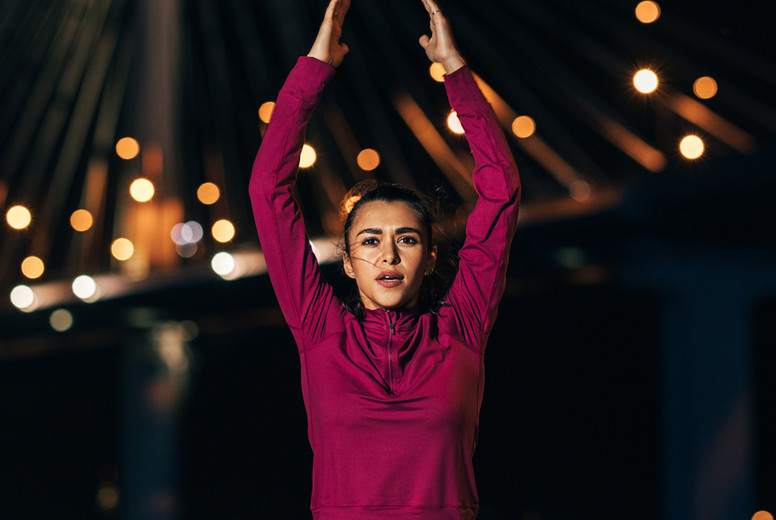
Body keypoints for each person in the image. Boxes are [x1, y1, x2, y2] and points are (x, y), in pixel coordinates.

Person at [249, 0, 520, 518]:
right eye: (370, 241)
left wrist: (455, 71)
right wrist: (314, 70)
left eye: (408, 240)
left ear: (430, 254)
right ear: (348, 262)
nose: (389, 254)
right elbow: (268, 190)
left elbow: (500, 191)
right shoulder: (321, 332)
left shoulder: (460, 330)